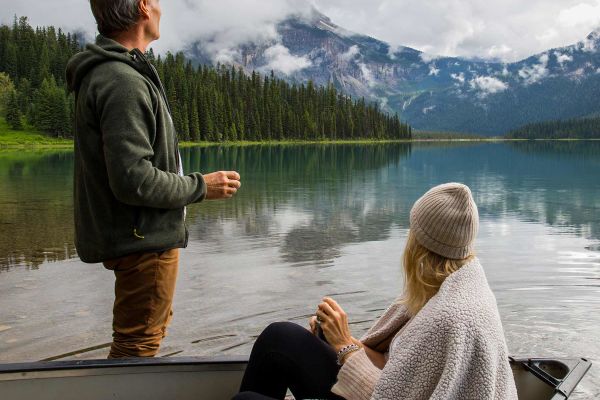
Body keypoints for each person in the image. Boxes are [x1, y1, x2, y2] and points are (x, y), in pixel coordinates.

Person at [66, 0, 241, 358]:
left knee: (145, 334)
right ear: (144, 7)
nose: (162, 8)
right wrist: (201, 186)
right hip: (144, 240)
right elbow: (134, 179)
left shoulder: (115, 74)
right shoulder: (121, 81)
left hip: (140, 236)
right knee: (137, 346)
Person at [234, 183, 517, 400]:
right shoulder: (457, 285)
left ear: (421, 242)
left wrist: (344, 344)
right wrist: (333, 339)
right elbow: (395, 368)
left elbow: (386, 394)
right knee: (279, 337)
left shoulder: (447, 317)